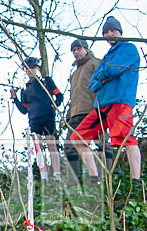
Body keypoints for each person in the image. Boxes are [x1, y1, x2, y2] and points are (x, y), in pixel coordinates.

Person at [70, 16, 142, 185]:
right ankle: (95, 177)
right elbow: (93, 84)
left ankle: (136, 181)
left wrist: (104, 76)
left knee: (125, 138)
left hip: (120, 100)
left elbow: (112, 70)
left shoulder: (129, 49)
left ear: (120, 31)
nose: (110, 33)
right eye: (106, 31)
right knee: (77, 138)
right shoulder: (107, 56)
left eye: (113, 30)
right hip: (101, 105)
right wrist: (104, 77)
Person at [64, 38, 113, 182]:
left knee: (101, 142)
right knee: (70, 145)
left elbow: (104, 85)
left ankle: (105, 177)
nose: (76, 53)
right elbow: (73, 96)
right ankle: (75, 180)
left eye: (78, 49)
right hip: (75, 114)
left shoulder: (95, 63)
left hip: (93, 110)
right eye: (73, 51)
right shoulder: (74, 73)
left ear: (86, 49)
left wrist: (102, 107)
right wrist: (69, 114)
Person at [10, 56, 64, 180]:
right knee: (38, 147)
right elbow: (24, 109)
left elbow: (59, 95)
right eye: (27, 69)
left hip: (48, 116)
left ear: (38, 68)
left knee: (51, 145)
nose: (30, 71)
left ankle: (57, 174)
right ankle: (43, 175)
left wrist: (55, 105)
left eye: (32, 68)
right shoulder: (25, 88)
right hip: (34, 119)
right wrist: (15, 98)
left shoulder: (46, 81)